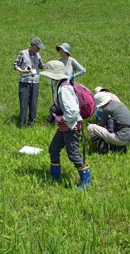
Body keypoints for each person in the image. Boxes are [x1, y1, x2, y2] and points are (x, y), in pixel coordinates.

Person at [40, 60, 91, 190]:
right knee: (53, 149)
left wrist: (60, 118)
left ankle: (86, 181)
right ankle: (55, 177)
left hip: (71, 126)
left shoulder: (64, 89)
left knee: (73, 154)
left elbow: (73, 112)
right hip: (65, 127)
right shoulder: (61, 85)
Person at [46, 43, 86, 124]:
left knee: (66, 103)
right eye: (59, 49)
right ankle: (57, 121)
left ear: (66, 51)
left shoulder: (72, 61)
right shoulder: (59, 61)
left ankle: (68, 120)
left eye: (61, 49)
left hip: (68, 86)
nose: (60, 51)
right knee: (57, 103)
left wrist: (73, 76)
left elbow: (83, 70)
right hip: (58, 85)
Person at [14, 37, 45, 127]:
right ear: (32, 45)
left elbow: (40, 65)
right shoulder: (22, 53)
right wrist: (22, 71)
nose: (39, 49)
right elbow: (15, 65)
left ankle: (32, 123)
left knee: (33, 104)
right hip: (24, 81)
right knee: (23, 103)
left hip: (35, 81)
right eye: (38, 47)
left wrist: (49, 66)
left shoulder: (38, 55)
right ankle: (22, 124)